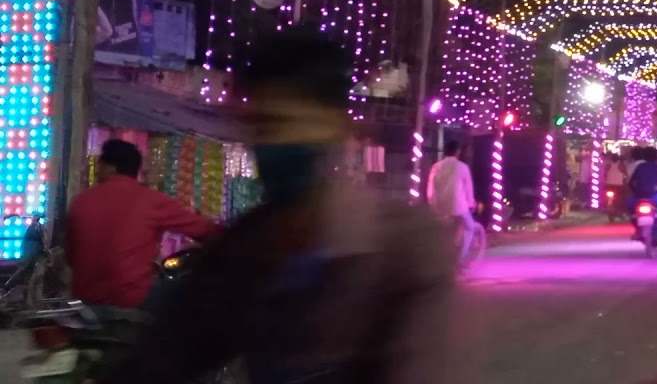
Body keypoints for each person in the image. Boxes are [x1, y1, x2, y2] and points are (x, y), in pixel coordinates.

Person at [101, 28, 469, 384]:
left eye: (289, 123)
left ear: (335, 127)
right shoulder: (245, 248)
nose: (276, 143)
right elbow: (170, 352)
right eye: (262, 127)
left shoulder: (406, 250)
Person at [66, 139, 221, 310]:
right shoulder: (150, 200)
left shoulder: (81, 202)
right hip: (134, 300)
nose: (97, 171)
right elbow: (205, 230)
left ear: (111, 168)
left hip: (86, 302)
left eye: (100, 164)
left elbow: (71, 257)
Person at [427, 139, 479, 269]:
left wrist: (433, 204)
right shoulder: (462, 167)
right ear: (457, 152)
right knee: (470, 227)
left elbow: (431, 188)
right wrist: (471, 203)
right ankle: (460, 259)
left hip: (440, 206)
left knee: (444, 232)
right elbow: (468, 189)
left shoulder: (436, 167)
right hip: (459, 206)